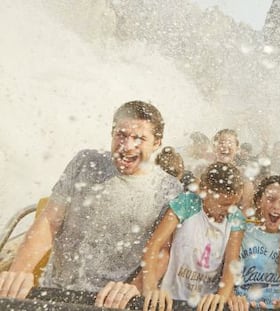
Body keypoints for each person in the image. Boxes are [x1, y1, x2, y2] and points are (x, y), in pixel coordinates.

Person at [0, 101, 182, 309]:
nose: (127, 146)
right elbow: (49, 221)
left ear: (157, 143)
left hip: (111, 301)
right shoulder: (86, 162)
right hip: (54, 292)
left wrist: (135, 288)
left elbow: (161, 250)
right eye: (121, 135)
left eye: (139, 138)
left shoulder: (169, 188)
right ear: (112, 133)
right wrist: (19, 273)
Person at [140, 162, 245, 311]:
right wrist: (150, 290)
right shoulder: (186, 203)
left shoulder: (236, 218)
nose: (230, 209)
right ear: (204, 192)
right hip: (171, 297)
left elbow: (231, 264)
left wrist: (220, 299)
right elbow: (153, 246)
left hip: (205, 303)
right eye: (224, 204)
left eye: (235, 203)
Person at [235, 175, 280, 309]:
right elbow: (226, 275)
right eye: (270, 200)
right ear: (259, 201)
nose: (276, 207)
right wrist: (233, 298)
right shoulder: (243, 232)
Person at [212, 129, 255, 217]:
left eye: (230, 143)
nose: (225, 146)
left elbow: (244, 216)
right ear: (214, 147)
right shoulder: (202, 173)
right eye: (221, 142)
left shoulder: (244, 181)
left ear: (237, 148)